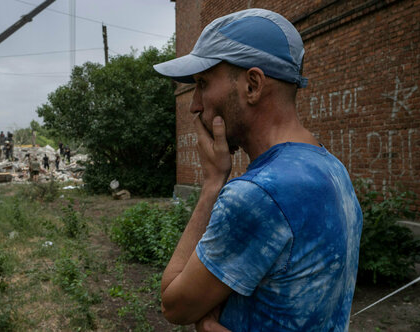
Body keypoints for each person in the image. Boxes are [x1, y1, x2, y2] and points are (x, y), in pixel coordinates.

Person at [153, 9, 363, 331]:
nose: (195, 105)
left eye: (203, 83)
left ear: (253, 85)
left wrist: (212, 183)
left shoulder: (259, 194)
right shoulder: (332, 169)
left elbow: (174, 304)